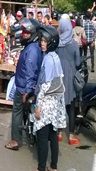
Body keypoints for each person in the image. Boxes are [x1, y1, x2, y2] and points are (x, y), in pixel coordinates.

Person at [5, 18, 43, 150]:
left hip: (24, 87)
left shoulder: (32, 49)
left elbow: (30, 72)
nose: (24, 34)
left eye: (27, 32)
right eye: (24, 32)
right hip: (26, 85)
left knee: (16, 112)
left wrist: (27, 91)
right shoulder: (32, 47)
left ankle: (15, 140)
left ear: (33, 34)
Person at [34, 26, 67, 171]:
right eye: (41, 40)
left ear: (51, 42)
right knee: (53, 136)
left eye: (45, 41)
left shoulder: (47, 59)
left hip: (46, 102)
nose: (42, 43)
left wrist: (38, 106)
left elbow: (45, 85)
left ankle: (41, 168)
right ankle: (53, 166)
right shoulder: (56, 57)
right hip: (55, 103)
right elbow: (60, 79)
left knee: (42, 138)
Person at [56, 18, 81, 145]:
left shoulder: (57, 43)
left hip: (59, 76)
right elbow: (78, 63)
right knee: (71, 107)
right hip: (70, 77)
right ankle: (71, 136)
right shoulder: (74, 44)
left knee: (60, 105)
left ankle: (59, 133)